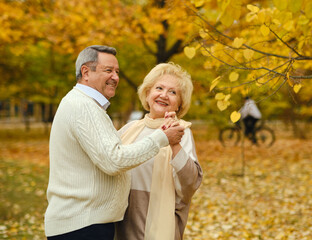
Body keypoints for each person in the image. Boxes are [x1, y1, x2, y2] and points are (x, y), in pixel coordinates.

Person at [44, 45, 185, 240]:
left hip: (86, 225)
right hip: (82, 227)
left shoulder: (85, 105)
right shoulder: (83, 107)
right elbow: (114, 160)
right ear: (86, 72)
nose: (115, 77)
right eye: (108, 70)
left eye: (117, 72)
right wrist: (162, 138)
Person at [115, 62, 203, 240]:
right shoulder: (128, 129)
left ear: (179, 104)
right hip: (121, 220)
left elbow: (190, 184)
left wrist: (174, 144)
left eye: (173, 92)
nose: (164, 95)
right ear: (147, 94)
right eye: (159, 88)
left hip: (157, 221)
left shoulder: (182, 132)